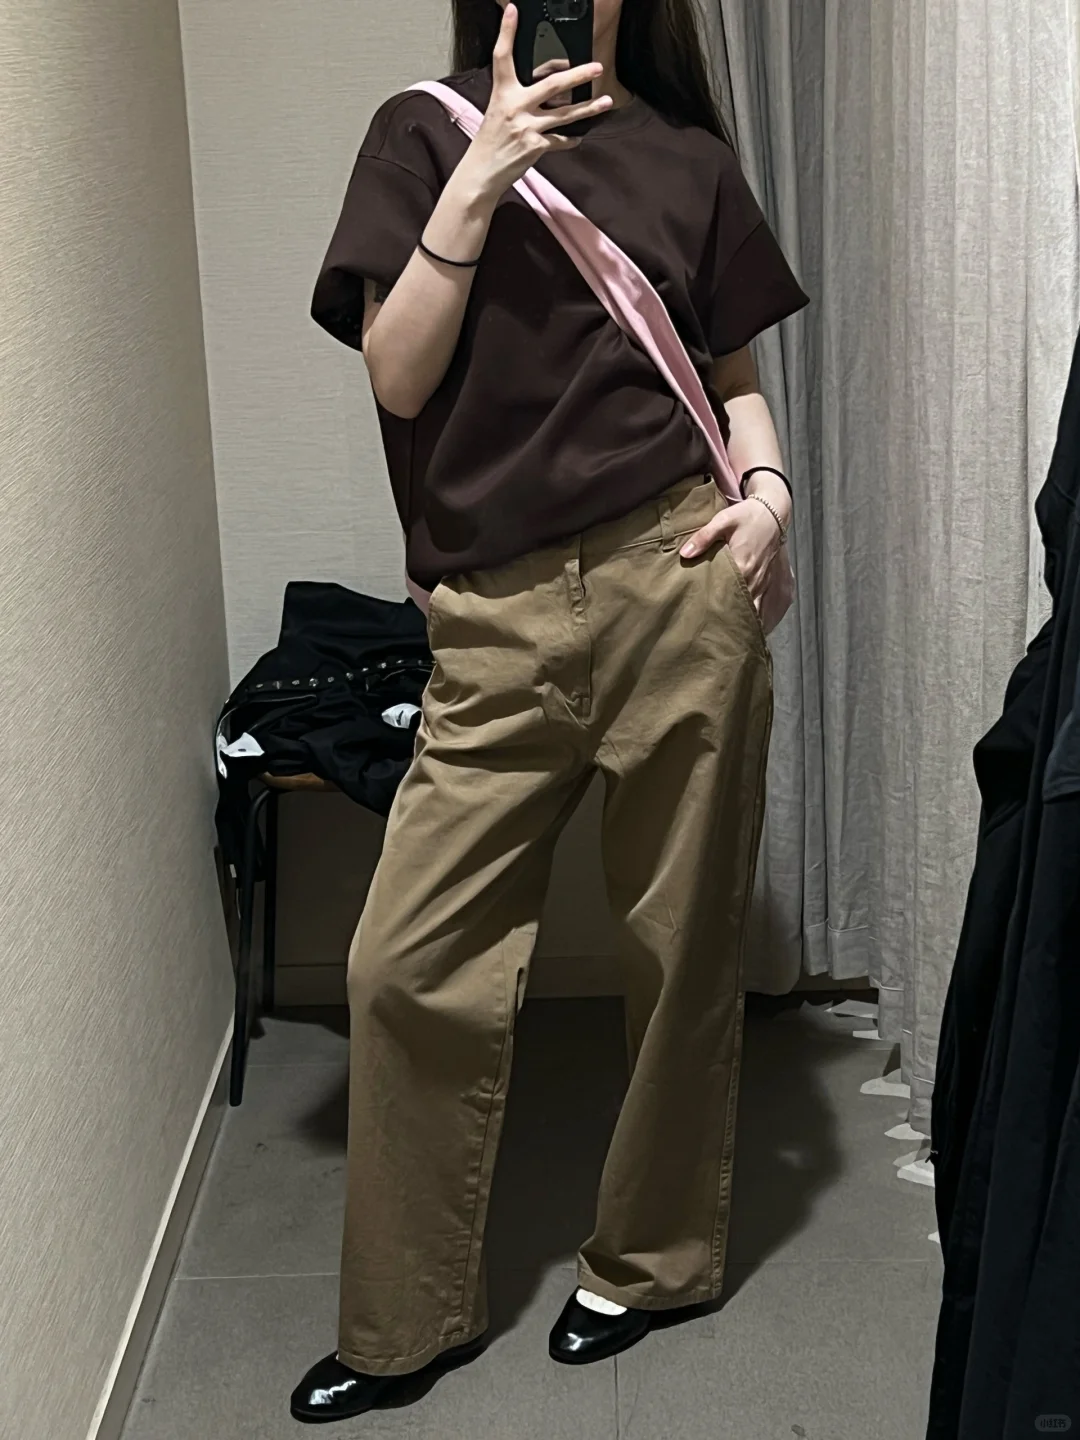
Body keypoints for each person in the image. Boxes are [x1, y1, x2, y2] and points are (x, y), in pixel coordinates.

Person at [292, 0, 808, 1422]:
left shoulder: (689, 159)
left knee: (683, 947)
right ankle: (401, 1320)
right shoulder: (422, 132)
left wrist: (769, 498)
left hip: (677, 580)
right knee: (404, 965)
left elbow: (733, 381)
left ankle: (654, 1264)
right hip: (494, 617)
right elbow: (398, 373)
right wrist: (481, 177)